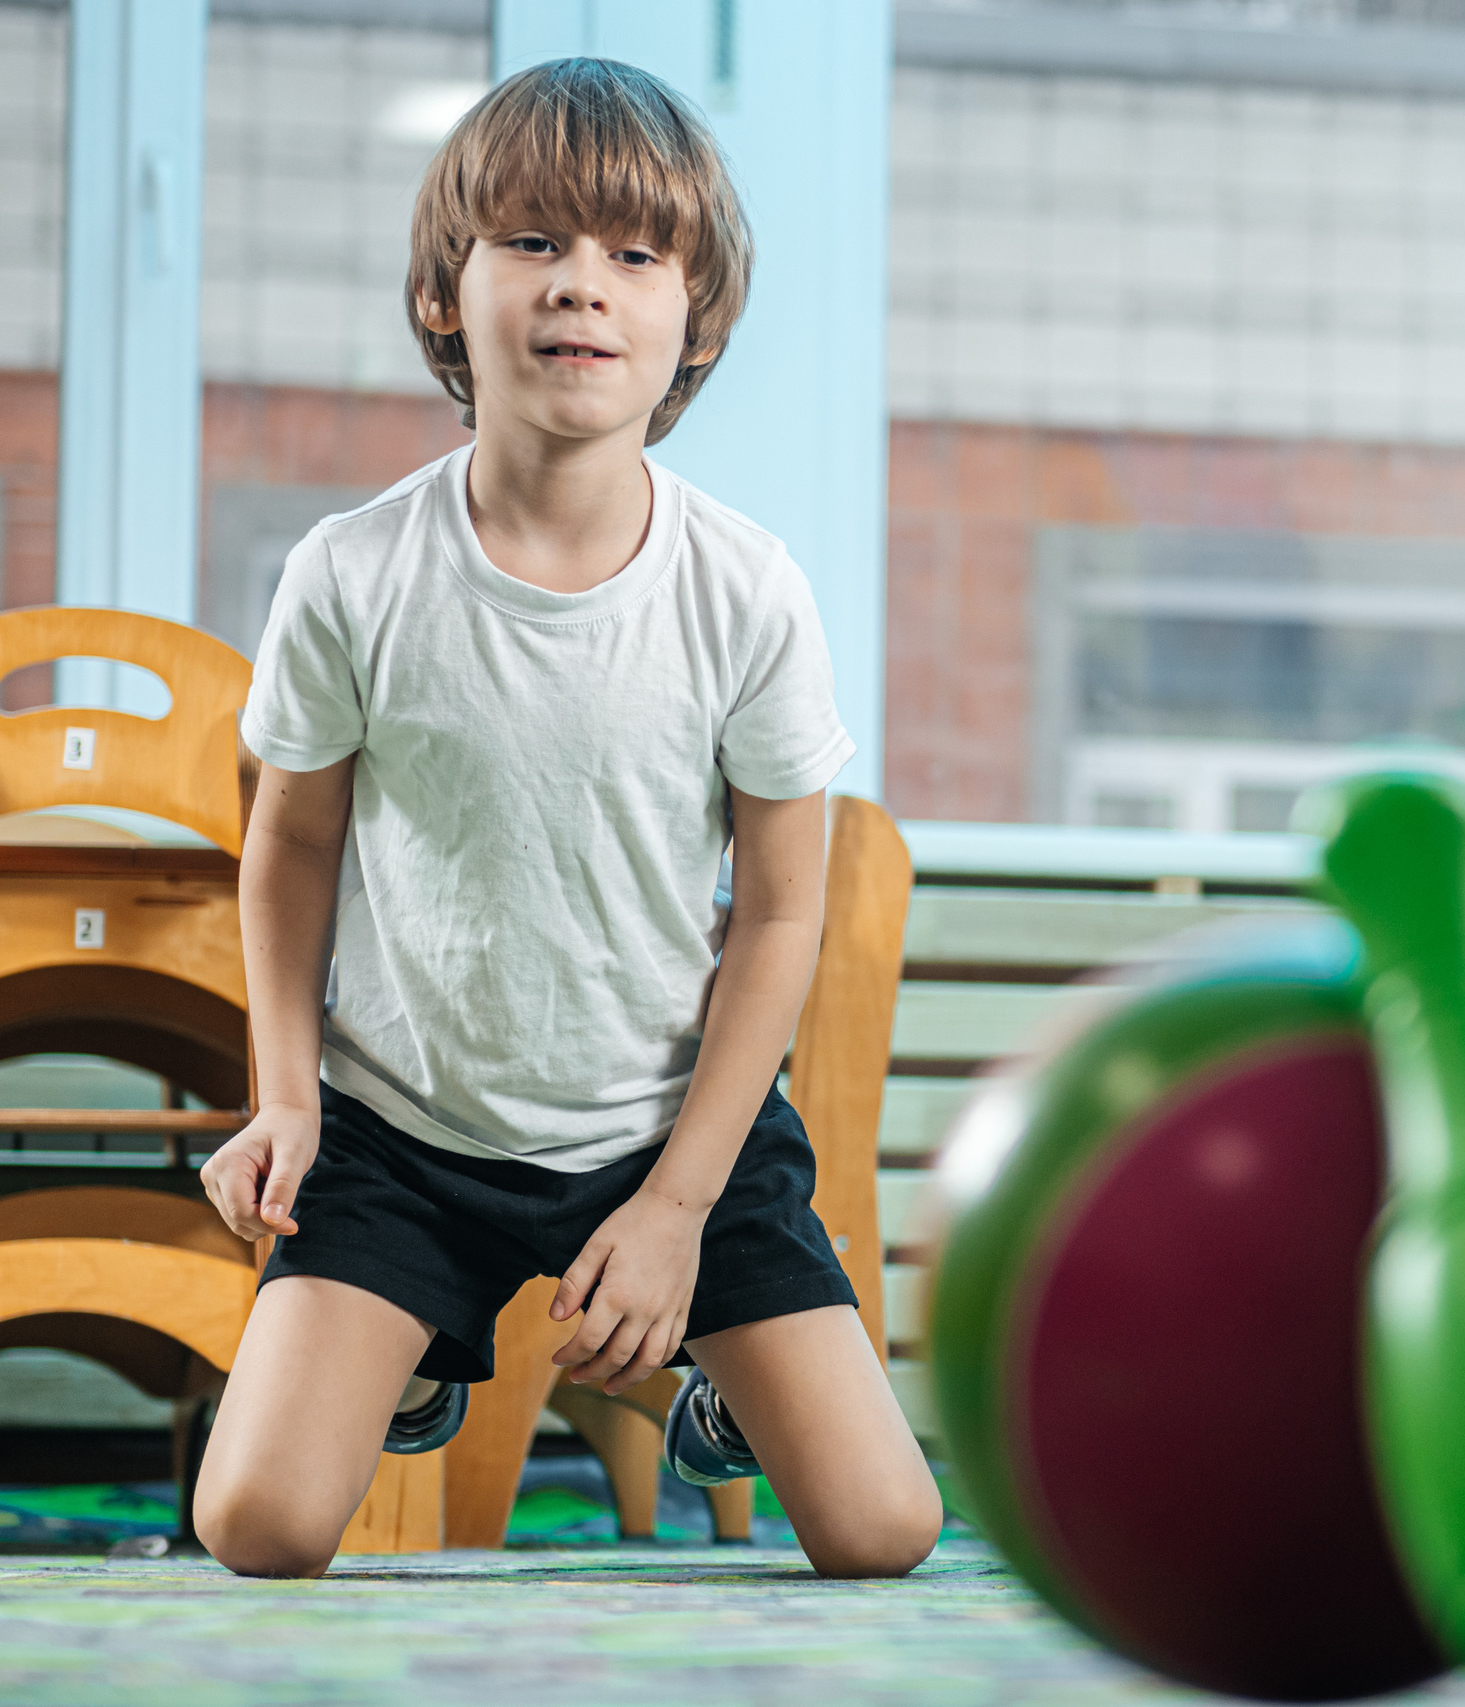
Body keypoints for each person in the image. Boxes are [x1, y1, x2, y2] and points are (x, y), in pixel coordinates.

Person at [190, 57, 940, 1579]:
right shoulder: (348, 572)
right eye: (531, 241)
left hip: (670, 1128)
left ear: (696, 323)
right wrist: (288, 1098)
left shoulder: (749, 590)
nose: (580, 285)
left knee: (883, 1530)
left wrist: (681, 1207)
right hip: (405, 1128)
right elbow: (293, 845)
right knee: (258, 1526)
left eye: (634, 255)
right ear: (443, 293)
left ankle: (719, 1377)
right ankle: (416, 1346)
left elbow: (781, 911)